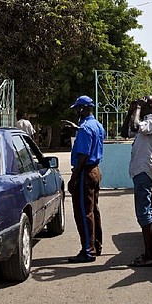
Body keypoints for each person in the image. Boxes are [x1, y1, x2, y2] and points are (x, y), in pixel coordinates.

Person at [122, 95, 152, 267]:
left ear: (149, 106)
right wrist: (131, 110)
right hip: (140, 171)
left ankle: (149, 256)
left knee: (144, 213)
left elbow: (135, 126)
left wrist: (138, 108)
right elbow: (125, 132)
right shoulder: (145, 121)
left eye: (144, 103)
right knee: (148, 214)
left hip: (145, 171)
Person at [67, 95, 105, 263]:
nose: (76, 112)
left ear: (82, 109)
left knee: (84, 213)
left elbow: (83, 155)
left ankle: (88, 251)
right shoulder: (96, 125)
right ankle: (96, 246)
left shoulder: (85, 129)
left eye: (77, 109)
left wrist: (73, 179)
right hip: (95, 171)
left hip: (85, 172)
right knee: (93, 211)